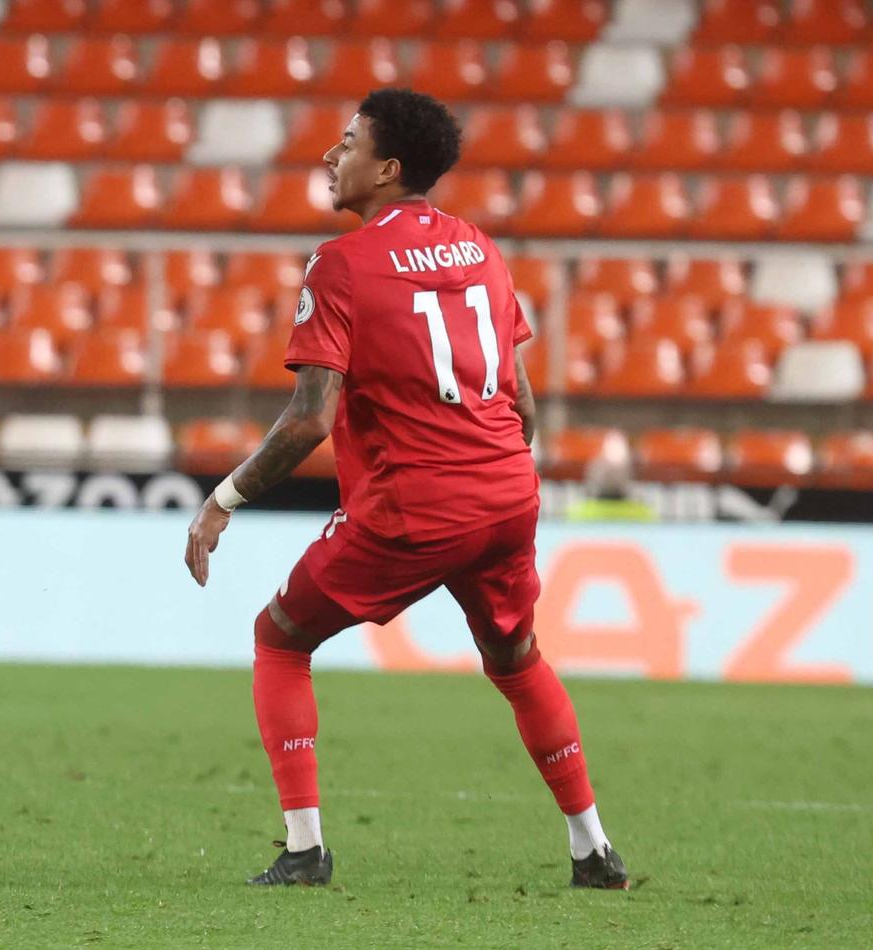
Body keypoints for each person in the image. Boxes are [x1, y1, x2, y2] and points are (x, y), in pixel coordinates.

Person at [182, 88, 628, 891]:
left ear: (386, 170)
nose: (332, 155)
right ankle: (593, 851)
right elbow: (522, 404)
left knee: (280, 636)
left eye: (348, 143)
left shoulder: (342, 262)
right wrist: (490, 482)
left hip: (413, 507)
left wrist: (223, 502)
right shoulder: (479, 248)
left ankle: (304, 851)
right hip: (506, 493)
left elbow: (309, 420)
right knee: (518, 657)